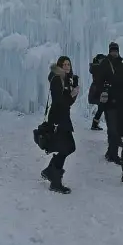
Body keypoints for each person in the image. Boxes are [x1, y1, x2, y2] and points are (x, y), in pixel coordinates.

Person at [41, 55, 79, 194]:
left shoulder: (66, 79)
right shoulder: (57, 79)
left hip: (63, 116)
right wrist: (72, 94)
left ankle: (50, 171)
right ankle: (55, 181)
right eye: (64, 65)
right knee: (68, 147)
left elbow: (68, 103)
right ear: (59, 66)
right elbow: (60, 101)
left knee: (68, 147)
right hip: (58, 118)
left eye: (68, 64)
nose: (67, 67)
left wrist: (73, 94)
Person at [96, 41, 123, 163]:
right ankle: (113, 154)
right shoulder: (105, 64)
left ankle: (110, 152)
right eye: (112, 50)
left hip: (119, 102)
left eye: (115, 50)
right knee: (113, 129)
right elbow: (98, 81)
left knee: (116, 129)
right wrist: (105, 89)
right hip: (109, 102)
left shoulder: (120, 63)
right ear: (109, 51)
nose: (114, 52)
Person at [88, 53, 106, 130]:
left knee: (101, 107)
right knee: (102, 106)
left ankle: (95, 124)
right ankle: (95, 124)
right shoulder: (96, 67)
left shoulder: (96, 67)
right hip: (96, 90)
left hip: (97, 89)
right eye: (102, 59)